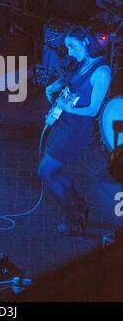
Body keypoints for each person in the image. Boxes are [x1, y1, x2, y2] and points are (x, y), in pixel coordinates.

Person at [38, 25, 111, 235]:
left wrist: (66, 107)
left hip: (76, 131)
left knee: (45, 171)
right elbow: (72, 81)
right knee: (55, 170)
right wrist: (53, 87)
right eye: (68, 47)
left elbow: (92, 110)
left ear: (86, 41)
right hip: (63, 124)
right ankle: (79, 204)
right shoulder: (83, 62)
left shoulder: (102, 72)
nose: (70, 51)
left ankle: (72, 215)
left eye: (72, 46)